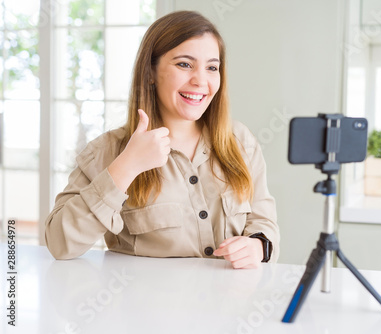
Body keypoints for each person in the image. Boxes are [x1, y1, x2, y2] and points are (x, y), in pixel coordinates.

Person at [45, 11, 279, 269]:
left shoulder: (240, 141)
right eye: (184, 64)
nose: (200, 80)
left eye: (212, 67)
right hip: (145, 307)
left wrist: (258, 246)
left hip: (230, 304)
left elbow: (264, 223)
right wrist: (127, 167)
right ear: (150, 73)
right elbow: (59, 244)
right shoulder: (109, 150)